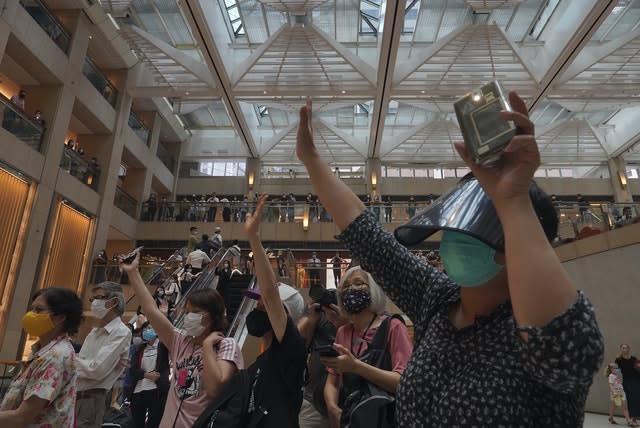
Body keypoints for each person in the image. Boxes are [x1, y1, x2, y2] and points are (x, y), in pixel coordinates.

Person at [296, 95, 604, 425]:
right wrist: (311, 159)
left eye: (476, 228)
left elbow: (566, 348)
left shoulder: (543, 337)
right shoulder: (440, 299)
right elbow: (368, 237)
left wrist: (513, 200)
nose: (454, 239)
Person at [120, 253, 243, 428]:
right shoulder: (181, 341)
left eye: (194, 312)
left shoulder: (226, 345)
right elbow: (151, 310)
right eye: (187, 312)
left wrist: (207, 346)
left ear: (211, 316)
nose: (187, 317)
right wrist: (133, 272)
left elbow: (216, 388)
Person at [242, 193, 307, 427]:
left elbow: (270, 296)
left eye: (264, 306)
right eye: (257, 304)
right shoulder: (262, 358)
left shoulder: (293, 349)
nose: (258, 308)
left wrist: (254, 239)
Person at [321, 266, 413, 428]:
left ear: (374, 290)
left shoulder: (393, 327)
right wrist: (332, 408)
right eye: (346, 286)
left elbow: (403, 383)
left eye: (358, 283)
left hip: (387, 418)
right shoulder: (343, 332)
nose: (351, 289)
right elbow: (333, 381)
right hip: (353, 417)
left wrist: (356, 367)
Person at [0, 288, 82, 426]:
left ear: (60, 317)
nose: (31, 315)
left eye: (38, 310)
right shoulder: (43, 350)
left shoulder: (56, 356)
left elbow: (23, 416)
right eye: (32, 309)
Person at [76, 282, 132, 428]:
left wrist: (68, 359)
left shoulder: (121, 331)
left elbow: (96, 370)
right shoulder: (94, 332)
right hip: (74, 395)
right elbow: (84, 365)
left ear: (114, 302)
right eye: (92, 299)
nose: (94, 303)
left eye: (99, 298)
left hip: (91, 398)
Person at [297, 298, 348, 428]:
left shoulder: (370, 314)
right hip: (313, 401)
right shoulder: (320, 307)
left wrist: (346, 323)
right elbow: (299, 345)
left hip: (349, 404)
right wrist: (313, 318)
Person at [130, 325, 170, 428]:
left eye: (149, 328)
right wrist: (146, 375)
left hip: (157, 390)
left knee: (154, 423)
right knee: (137, 423)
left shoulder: (163, 346)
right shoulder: (139, 349)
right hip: (139, 390)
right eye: (145, 329)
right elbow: (133, 370)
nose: (147, 331)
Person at [617, 344, 640, 423]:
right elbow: (618, 371)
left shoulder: (634, 359)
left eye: (626, 348)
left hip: (636, 381)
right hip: (626, 381)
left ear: (628, 349)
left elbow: (638, 368)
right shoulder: (618, 360)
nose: (624, 349)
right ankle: (631, 418)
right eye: (623, 348)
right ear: (621, 349)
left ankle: (634, 418)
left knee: (636, 399)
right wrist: (619, 382)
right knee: (629, 400)